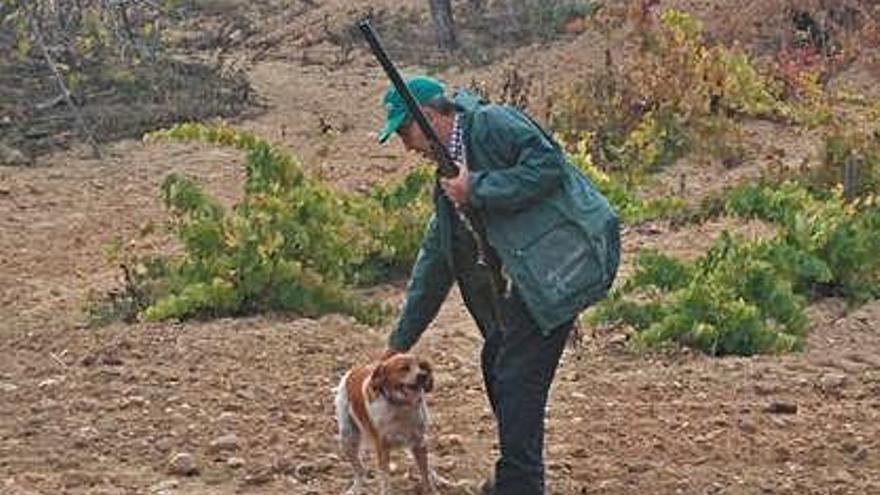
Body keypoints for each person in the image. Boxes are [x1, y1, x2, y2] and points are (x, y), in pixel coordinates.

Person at [377, 75, 620, 495]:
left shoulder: (490, 124)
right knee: (498, 361)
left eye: (405, 131)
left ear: (432, 118)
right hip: (536, 279)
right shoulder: (448, 180)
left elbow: (548, 164)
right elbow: (437, 263)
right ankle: (517, 475)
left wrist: (479, 188)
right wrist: (400, 342)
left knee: (515, 375)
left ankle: (519, 484)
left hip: (566, 265)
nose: (406, 146)